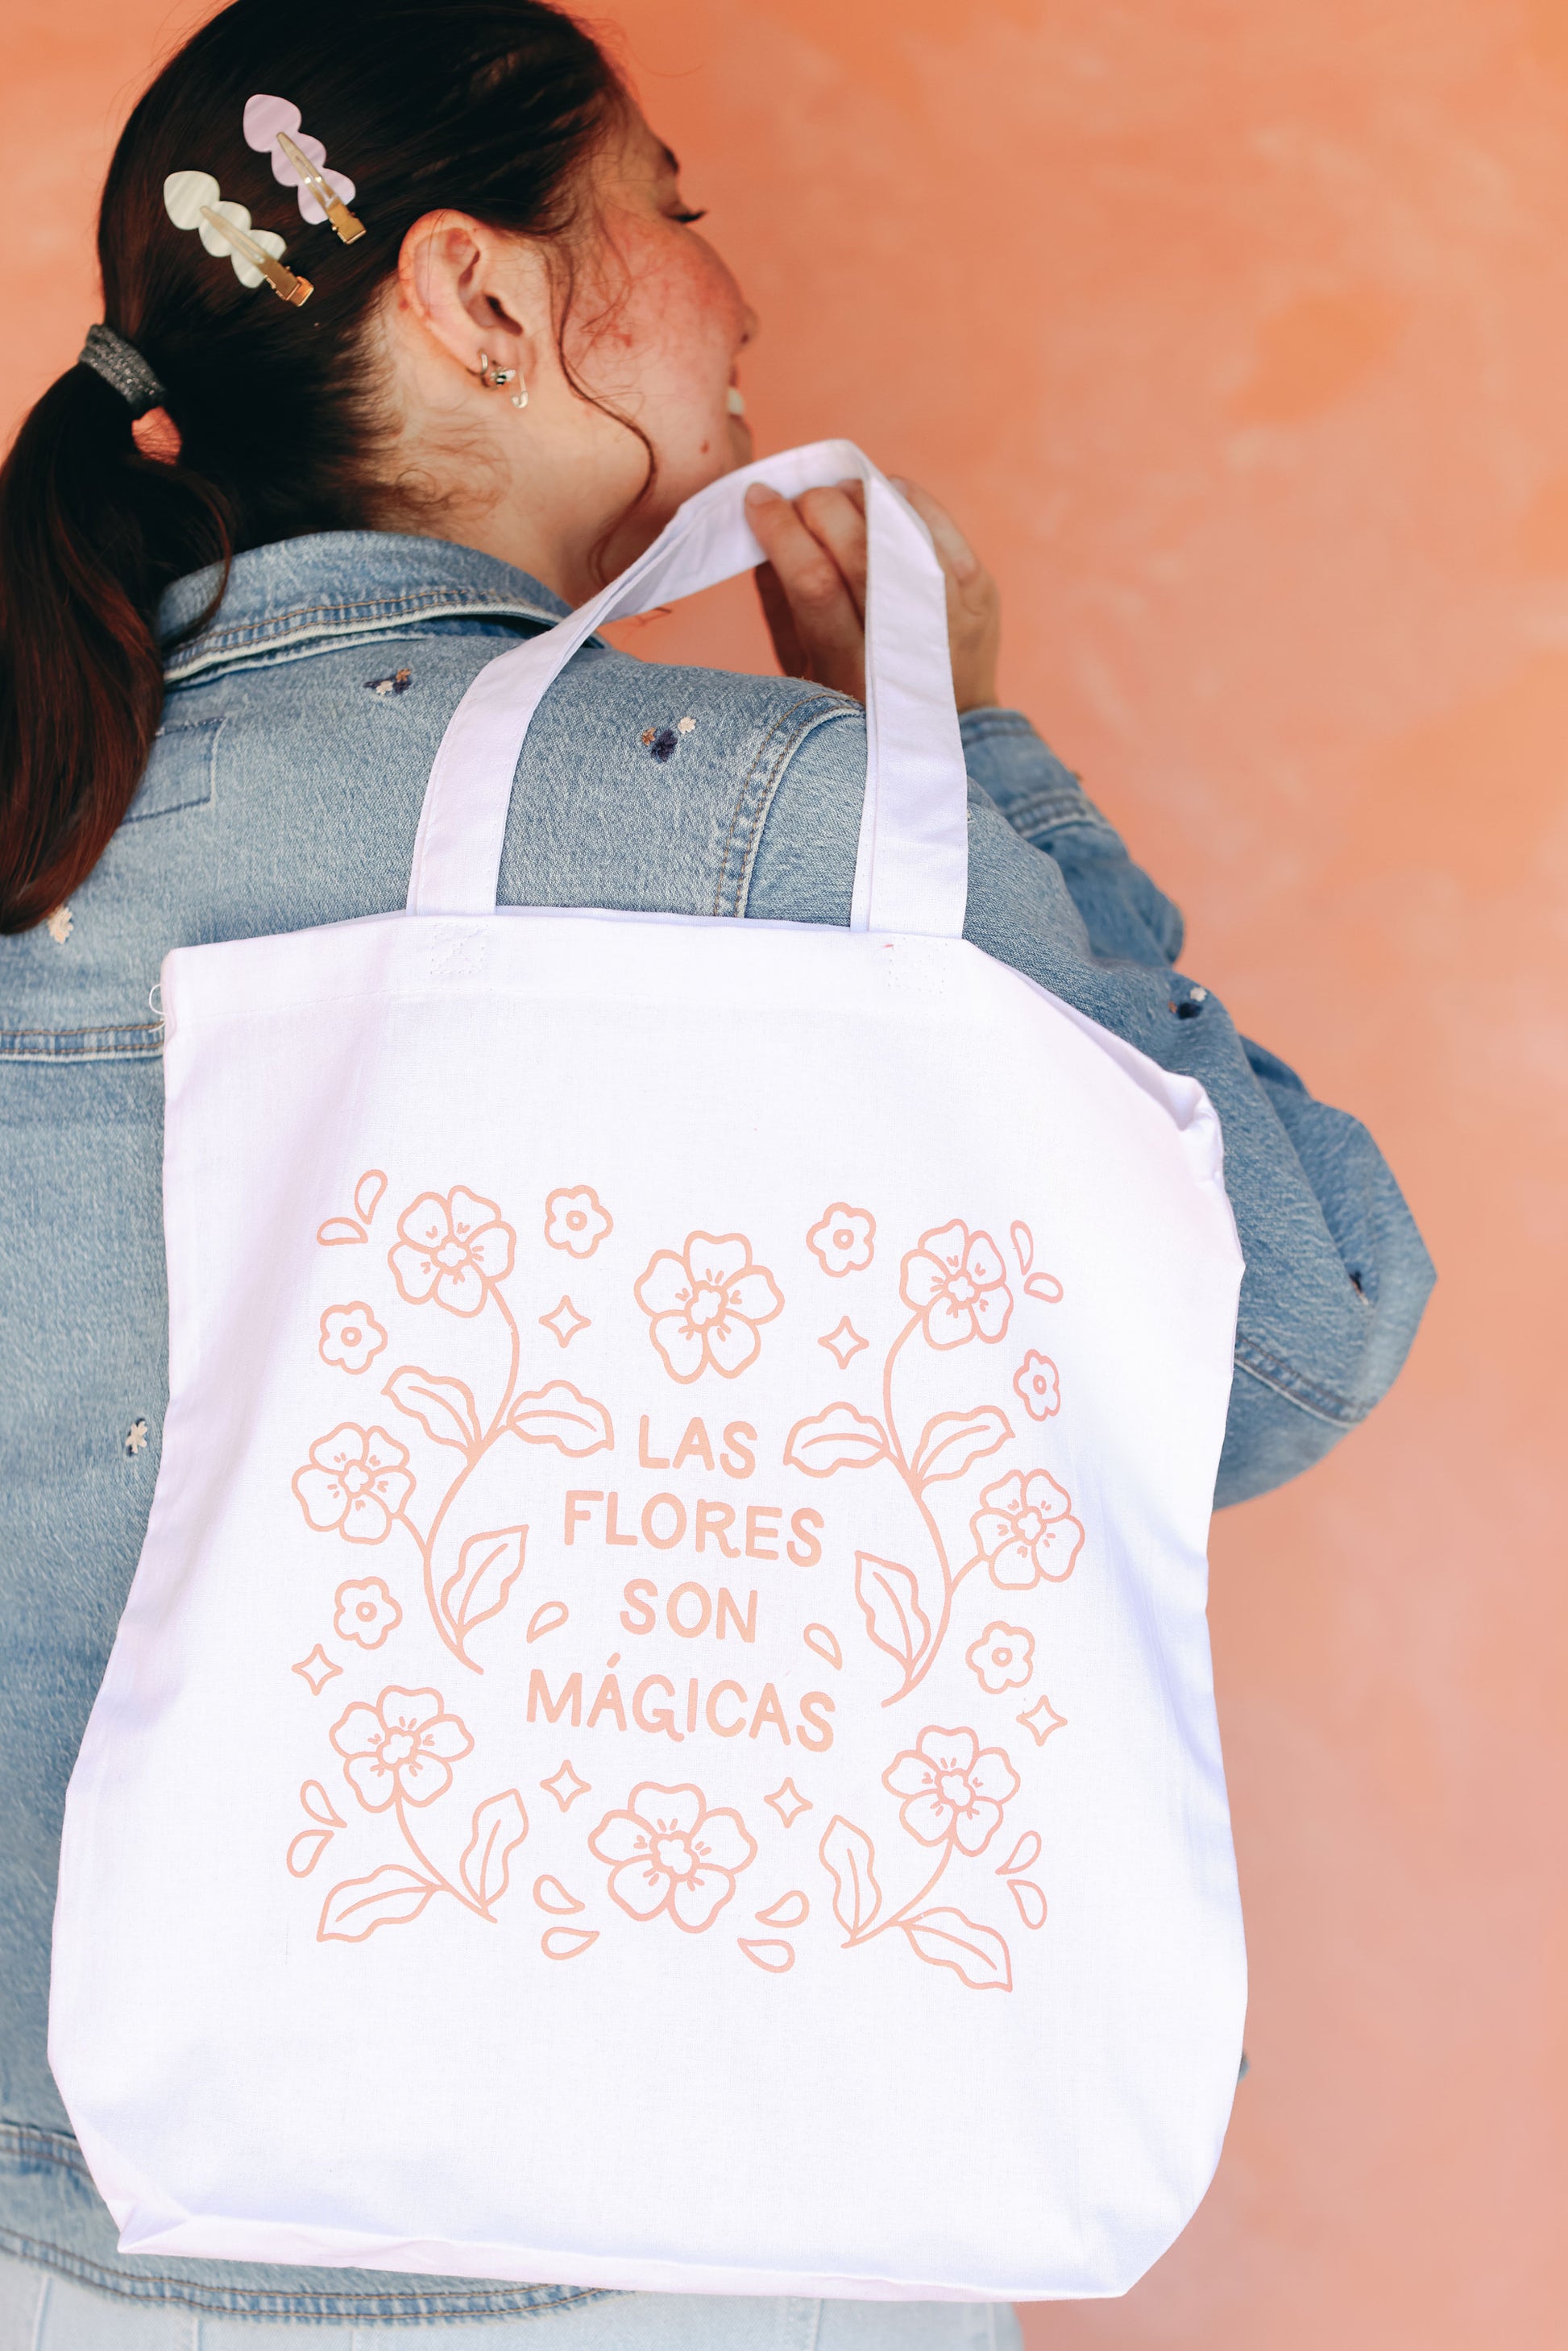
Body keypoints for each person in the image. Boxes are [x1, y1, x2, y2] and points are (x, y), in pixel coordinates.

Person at [0, 1, 1434, 2344]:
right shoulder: (755, 811)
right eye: (676, 212)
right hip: (692, 2231)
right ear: (481, 298)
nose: (736, 300)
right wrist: (970, 754)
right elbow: (1292, 1329)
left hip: (53, 2226)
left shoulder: (42, 800)